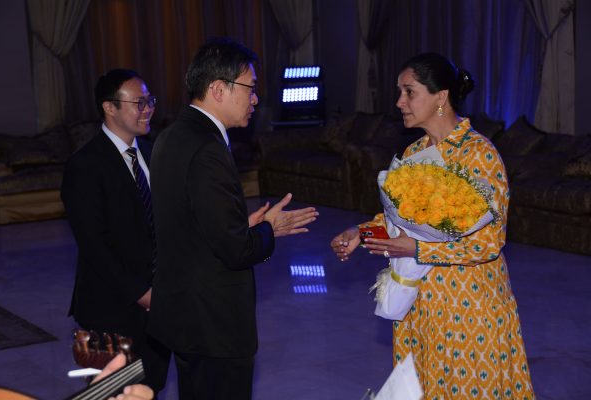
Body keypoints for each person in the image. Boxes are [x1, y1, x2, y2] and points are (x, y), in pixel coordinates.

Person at [331, 53, 535, 398]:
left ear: (441, 97)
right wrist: (360, 233)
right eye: (400, 92)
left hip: (468, 309)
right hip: (422, 308)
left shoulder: (479, 155)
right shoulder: (414, 153)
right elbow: (399, 221)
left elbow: (488, 244)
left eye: (409, 92)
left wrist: (418, 249)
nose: (399, 102)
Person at [147, 37, 318, 400]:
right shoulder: (207, 147)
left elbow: (190, 221)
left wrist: (242, 225)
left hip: (186, 314)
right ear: (218, 89)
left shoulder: (172, 135)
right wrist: (270, 229)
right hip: (214, 323)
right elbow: (235, 251)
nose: (255, 99)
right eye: (250, 88)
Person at [61, 69, 170, 396]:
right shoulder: (85, 165)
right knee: (111, 392)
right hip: (109, 309)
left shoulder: (153, 151)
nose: (148, 109)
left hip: (160, 304)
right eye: (139, 103)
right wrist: (142, 293)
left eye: (150, 101)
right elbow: (94, 246)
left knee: (150, 388)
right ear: (110, 107)